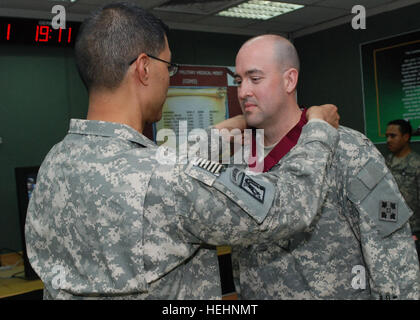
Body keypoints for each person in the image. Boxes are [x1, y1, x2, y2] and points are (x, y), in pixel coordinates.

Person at [24, 3, 340, 300]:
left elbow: (156, 165)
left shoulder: (54, 163)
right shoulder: (167, 179)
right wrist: (318, 129)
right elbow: (292, 206)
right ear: (144, 68)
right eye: (168, 65)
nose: (168, 77)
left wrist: (224, 132)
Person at [229, 34, 420, 299]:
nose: (242, 91)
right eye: (238, 81)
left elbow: (392, 246)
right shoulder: (241, 160)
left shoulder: (348, 149)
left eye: (255, 78)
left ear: (289, 80)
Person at [386, 119, 420, 259]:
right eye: (387, 136)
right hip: (390, 229)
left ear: (406, 137)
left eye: (393, 136)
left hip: (413, 230)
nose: (388, 140)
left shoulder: (416, 163)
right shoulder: (384, 162)